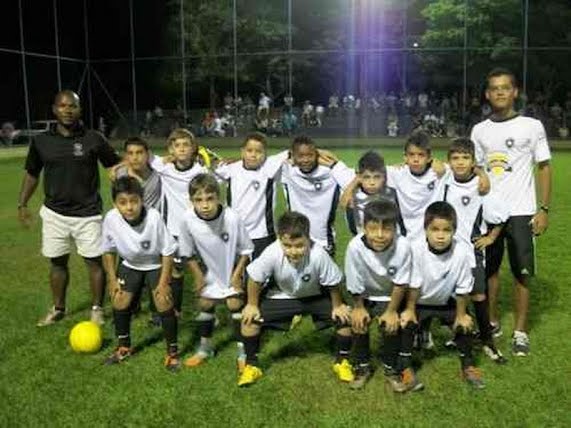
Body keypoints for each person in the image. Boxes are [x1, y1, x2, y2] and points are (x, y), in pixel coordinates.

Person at [18, 90, 121, 326]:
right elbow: (32, 173)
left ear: (80, 110)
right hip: (54, 213)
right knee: (57, 262)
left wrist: (126, 188)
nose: (67, 110)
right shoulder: (41, 141)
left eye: (72, 106)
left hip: (88, 213)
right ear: (54, 109)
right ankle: (58, 308)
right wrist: (22, 203)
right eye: (62, 106)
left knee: (94, 262)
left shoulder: (93, 138)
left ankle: (96, 308)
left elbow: (115, 166)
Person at [470, 67, 552, 356]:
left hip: (522, 212)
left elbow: (543, 167)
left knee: (521, 273)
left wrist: (542, 209)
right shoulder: (479, 130)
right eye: (494, 88)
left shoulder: (531, 126)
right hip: (490, 213)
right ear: (488, 94)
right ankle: (492, 323)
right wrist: (479, 175)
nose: (500, 92)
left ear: (515, 91)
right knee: (488, 271)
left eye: (506, 87)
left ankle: (519, 332)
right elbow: (475, 166)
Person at [239, 212, 352, 387]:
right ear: (279, 240)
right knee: (249, 320)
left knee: (345, 318)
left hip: (314, 295)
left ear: (309, 239)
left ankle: (342, 361)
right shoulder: (272, 252)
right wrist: (252, 304)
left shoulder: (319, 254)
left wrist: (338, 306)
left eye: (299, 246)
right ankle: (251, 365)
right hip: (282, 295)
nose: (293, 251)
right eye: (287, 245)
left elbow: (333, 283)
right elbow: (255, 278)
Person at [435, 137, 508, 364]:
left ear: (473, 161)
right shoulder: (445, 184)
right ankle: (458, 335)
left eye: (465, 158)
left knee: (478, 295)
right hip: (447, 250)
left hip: (471, 251)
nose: (460, 163)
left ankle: (488, 342)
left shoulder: (481, 186)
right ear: (449, 162)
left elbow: (500, 215)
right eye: (455, 158)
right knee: (451, 294)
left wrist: (491, 237)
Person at [402, 201, 485, 389]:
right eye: (435, 229)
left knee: (465, 324)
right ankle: (405, 368)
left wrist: (461, 315)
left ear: (454, 231)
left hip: (445, 301)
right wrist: (409, 310)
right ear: (425, 230)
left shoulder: (462, 252)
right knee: (406, 323)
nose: (440, 236)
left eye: (446, 230)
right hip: (418, 302)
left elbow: (463, 289)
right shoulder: (415, 249)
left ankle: (468, 366)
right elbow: (413, 285)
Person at [101, 177, 180, 370]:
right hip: (130, 265)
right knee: (119, 300)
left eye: (134, 201)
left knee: (163, 301)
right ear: (115, 204)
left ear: (141, 200)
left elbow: (168, 253)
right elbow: (108, 251)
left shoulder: (153, 217)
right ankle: (124, 346)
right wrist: (112, 279)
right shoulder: (111, 218)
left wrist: (163, 283)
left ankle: (172, 352)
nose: (129, 207)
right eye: (123, 202)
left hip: (155, 264)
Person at [178, 174, 254, 369]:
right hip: (209, 269)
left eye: (209, 199)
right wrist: (198, 276)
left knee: (234, 303)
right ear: (191, 201)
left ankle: (243, 351)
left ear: (218, 198)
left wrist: (236, 276)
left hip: (233, 266)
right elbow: (187, 253)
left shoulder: (232, 217)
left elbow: (246, 250)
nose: (204, 205)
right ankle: (205, 348)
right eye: (198, 200)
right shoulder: (187, 219)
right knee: (205, 303)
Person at [345, 200, 418, 391]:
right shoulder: (355, 247)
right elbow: (354, 282)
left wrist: (392, 311)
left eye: (386, 229)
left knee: (392, 325)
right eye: (373, 228)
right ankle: (362, 366)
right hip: (366, 296)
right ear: (363, 227)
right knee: (358, 323)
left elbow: (401, 282)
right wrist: (359, 308)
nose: (379, 235)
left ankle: (390, 368)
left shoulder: (403, 246)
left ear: (395, 228)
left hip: (391, 296)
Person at [149, 128, 209, 316]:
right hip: (172, 230)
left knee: (201, 271)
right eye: (177, 146)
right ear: (171, 149)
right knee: (175, 271)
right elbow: (139, 156)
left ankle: (206, 310)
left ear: (194, 149)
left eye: (186, 145)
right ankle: (176, 309)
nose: (182, 149)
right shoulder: (163, 168)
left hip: (198, 230)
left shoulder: (202, 172)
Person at [214, 132, 288, 259]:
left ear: (265, 153)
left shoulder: (270, 166)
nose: (253, 155)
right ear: (242, 152)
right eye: (249, 151)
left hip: (263, 235)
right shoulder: (230, 169)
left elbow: (295, 151)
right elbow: (206, 178)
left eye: (259, 151)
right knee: (236, 274)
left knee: (263, 276)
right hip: (234, 233)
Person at [281, 135, 355, 257]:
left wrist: (334, 163)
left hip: (324, 242)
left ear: (316, 155)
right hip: (295, 240)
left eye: (310, 155)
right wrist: (289, 155)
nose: (305, 160)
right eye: (301, 156)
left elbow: (355, 178)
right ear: (293, 156)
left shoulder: (330, 172)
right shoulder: (287, 170)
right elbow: (262, 163)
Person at [343, 151, 405, 237]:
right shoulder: (352, 189)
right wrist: (353, 184)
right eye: (366, 177)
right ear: (359, 177)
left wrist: (404, 165)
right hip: (363, 238)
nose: (372, 183)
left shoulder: (391, 189)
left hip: (391, 238)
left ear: (384, 176)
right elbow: (342, 204)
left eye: (377, 177)